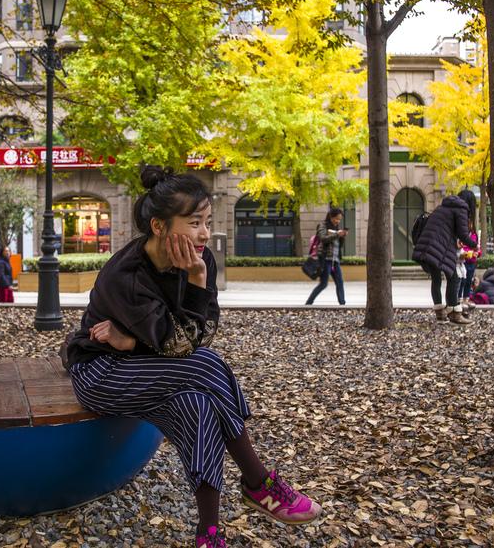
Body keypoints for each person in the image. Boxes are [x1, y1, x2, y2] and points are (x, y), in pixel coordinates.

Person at [64, 165, 321, 548]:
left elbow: (198, 337)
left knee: (198, 405)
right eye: (194, 222)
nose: (204, 233)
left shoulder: (200, 262)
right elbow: (185, 348)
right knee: (208, 365)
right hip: (103, 372)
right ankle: (257, 481)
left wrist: (137, 340)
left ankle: (208, 534)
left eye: (207, 221)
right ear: (159, 226)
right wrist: (148, 341)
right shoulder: (127, 275)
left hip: (153, 366)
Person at [412, 189, 478, 324]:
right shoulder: (461, 209)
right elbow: (463, 234)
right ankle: (454, 314)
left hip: (428, 245)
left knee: (436, 279)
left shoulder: (442, 207)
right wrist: (474, 245)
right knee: (453, 277)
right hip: (440, 247)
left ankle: (440, 314)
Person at [305, 206, 348, 305]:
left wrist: (343, 236)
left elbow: (339, 246)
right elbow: (323, 238)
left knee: (340, 282)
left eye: (339, 219)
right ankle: (308, 303)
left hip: (335, 260)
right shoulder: (322, 226)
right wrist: (337, 234)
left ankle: (342, 304)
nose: (338, 221)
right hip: (325, 259)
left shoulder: (336, 229)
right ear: (330, 217)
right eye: (336, 218)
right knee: (323, 284)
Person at [458, 219, 481, 309]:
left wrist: (477, 253)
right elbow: (461, 247)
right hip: (464, 261)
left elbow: (478, 248)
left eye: (470, 223)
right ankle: (459, 299)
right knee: (462, 281)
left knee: (469, 281)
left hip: (472, 262)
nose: (469, 225)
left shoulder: (474, 235)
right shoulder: (462, 235)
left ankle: (466, 299)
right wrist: (467, 253)